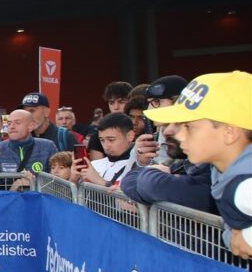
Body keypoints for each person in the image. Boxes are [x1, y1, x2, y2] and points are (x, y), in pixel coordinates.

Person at [146, 71, 252, 258]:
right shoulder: (222, 172)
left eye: (188, 126)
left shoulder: (244, 187)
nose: (176, 133)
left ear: (229, 132)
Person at [0, 109, 56, 177]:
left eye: (17, 123)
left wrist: (33, 185)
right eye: (9, 123)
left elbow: (58, 180)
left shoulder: (48, 147)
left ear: (30, 126)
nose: (11, 126)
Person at [75, 113, 136, 187]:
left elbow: (127, 196)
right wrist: (73, 179)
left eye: (111, 140)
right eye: (102, 140)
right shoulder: (94, 165)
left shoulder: (139, 167)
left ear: (130, 136)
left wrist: (99, 181)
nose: (106, 146)